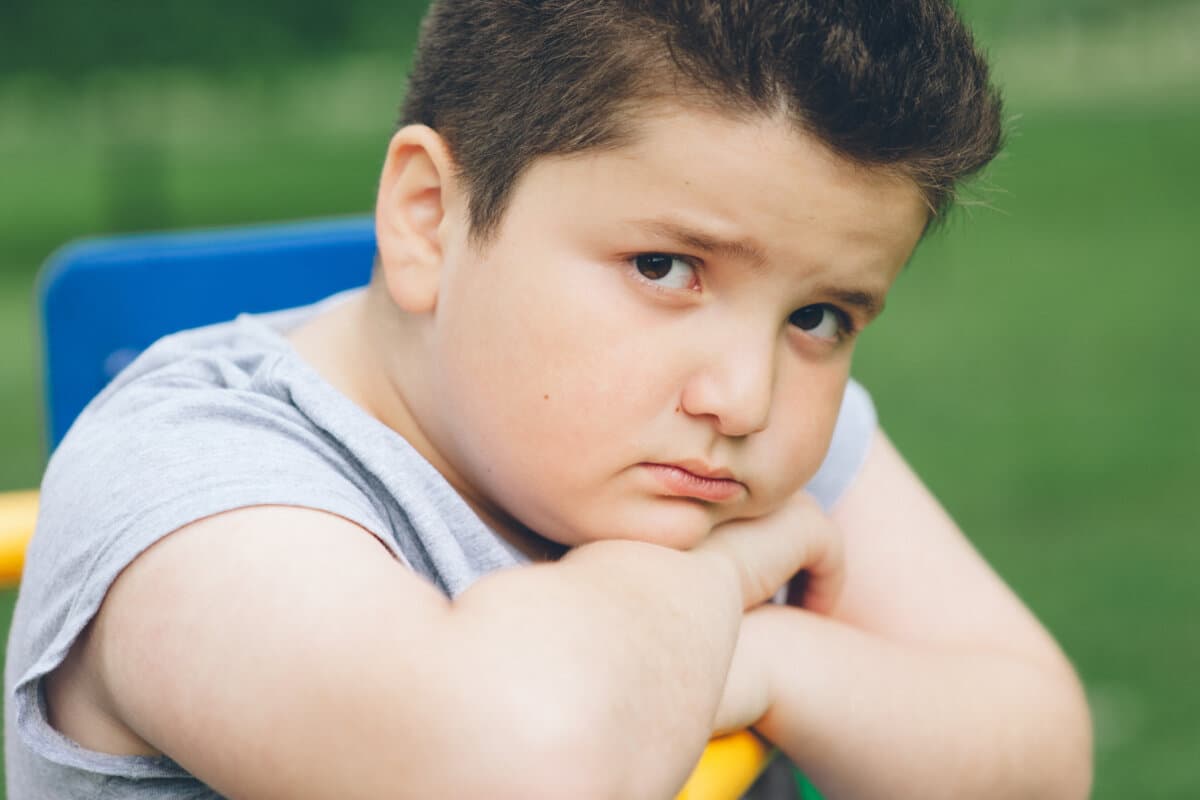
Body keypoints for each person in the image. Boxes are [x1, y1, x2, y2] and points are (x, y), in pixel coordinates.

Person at [5, 1, 1093, 798]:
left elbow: (1041, 753)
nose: (744, 393)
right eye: (666, 268)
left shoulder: (722, 439)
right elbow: (518, 766)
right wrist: (716, 583)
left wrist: (759, 658)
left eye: (822, 317)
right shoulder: (189, 472)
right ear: (430, 220)